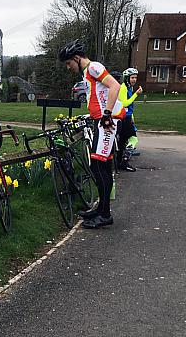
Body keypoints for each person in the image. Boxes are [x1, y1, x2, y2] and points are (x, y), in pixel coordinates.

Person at [59, 39, 125, 229]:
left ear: (77, 58)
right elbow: (99, 96)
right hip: (101, 121)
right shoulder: (88, 72)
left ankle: (105, 214)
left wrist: (106, 114)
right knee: (99, 167)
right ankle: (101, 209)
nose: (68, 67)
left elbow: (115, 86)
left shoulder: (94, 68)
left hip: (107, 123)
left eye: (69, 63)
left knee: (99, 167)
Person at [116, 68, 143, 172]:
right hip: (124, 118)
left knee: (122, 141)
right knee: (133, 139)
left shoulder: (129, 88)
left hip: (128, 117)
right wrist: (136, 94)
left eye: (135, 78)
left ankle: (120, 162)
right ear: (126, 78)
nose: (134, 80)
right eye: (132, 77)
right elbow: (124, 104)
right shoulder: (123, 88)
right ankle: (125, 161)